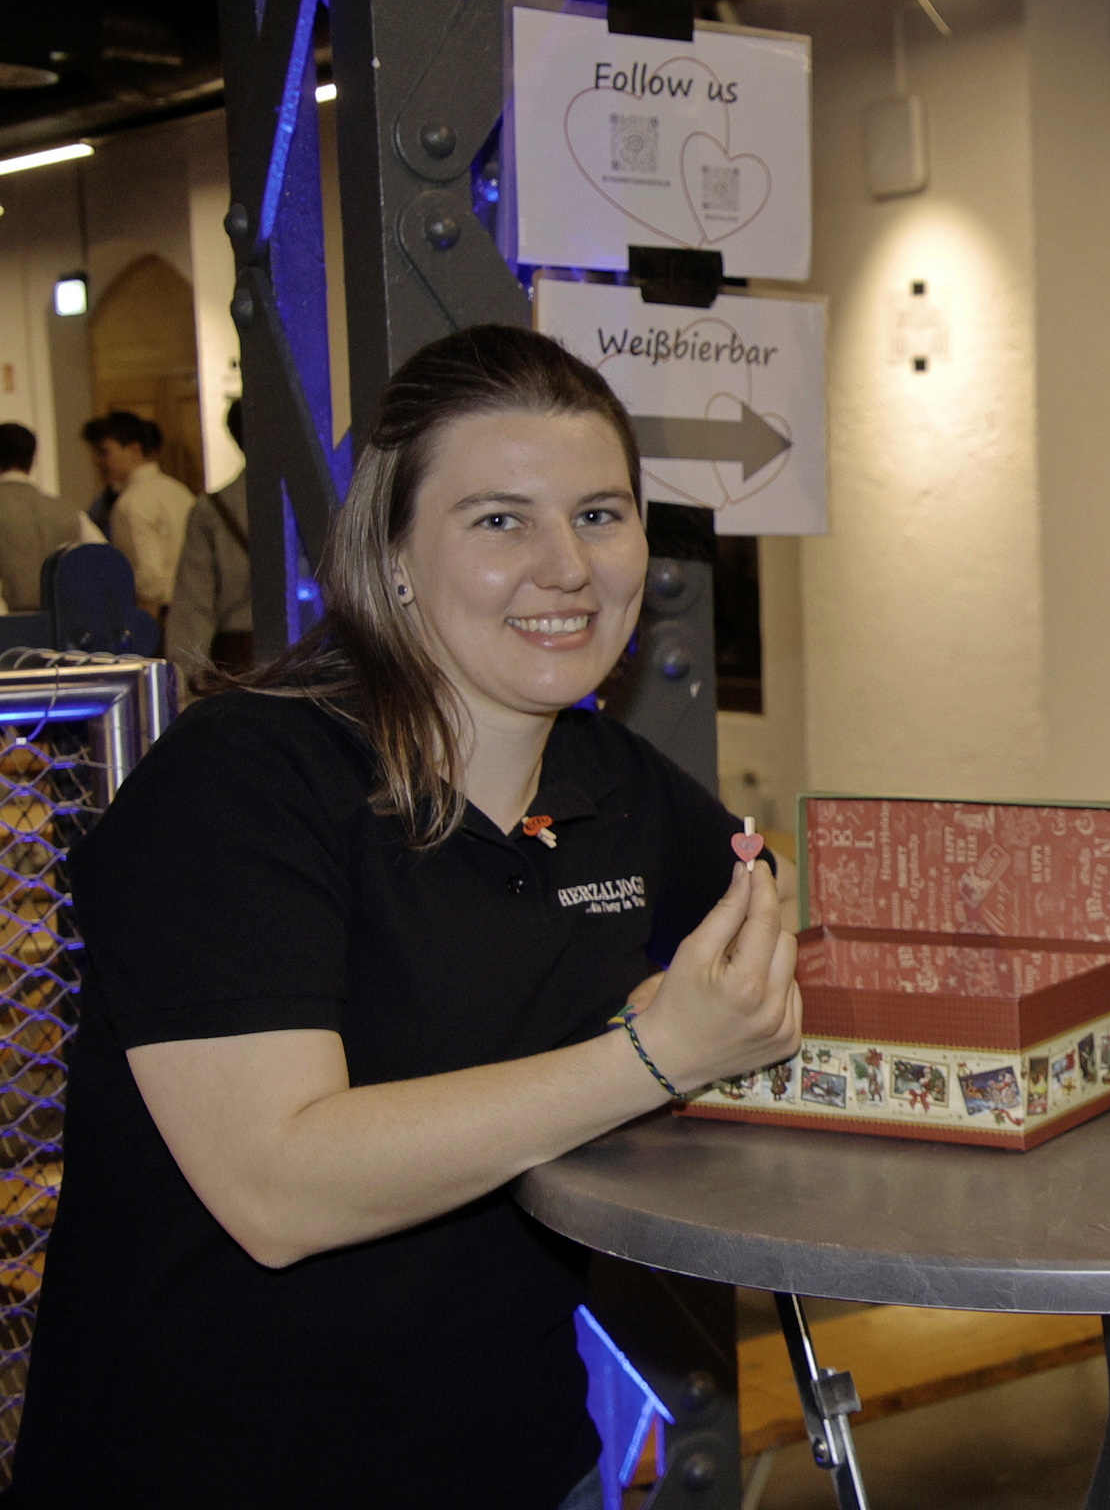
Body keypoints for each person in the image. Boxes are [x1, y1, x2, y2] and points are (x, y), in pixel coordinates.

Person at [9, 326, 804, 1510]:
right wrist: (655, 1051)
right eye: (499, 521)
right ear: (390, 558)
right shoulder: (243, 783)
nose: (567, 567)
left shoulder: (611, 782)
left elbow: (764, 902)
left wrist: (728, 976)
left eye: (599, 514)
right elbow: (278, 1187)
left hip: (525, 1462)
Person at [168, 398, 254, 679]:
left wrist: (189, 678)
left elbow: (194, 606)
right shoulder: (319, 501)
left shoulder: (215, 508)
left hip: (238, 661)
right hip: (312, 653)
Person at [81, 409, 193, 620]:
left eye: (104, 452)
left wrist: (144, 628)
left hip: (160, 615)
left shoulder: (131, 503)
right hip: (190, 609)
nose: (96, 461)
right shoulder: (178, 490)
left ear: (134, 450)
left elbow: (149, 579)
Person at [0, 424, 102, 613]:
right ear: (32, 459)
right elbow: (102, 560)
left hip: (8, 623)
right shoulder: (68, 511)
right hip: (61, 620)